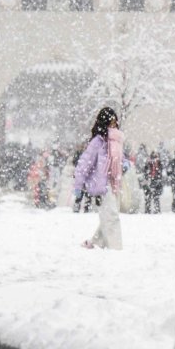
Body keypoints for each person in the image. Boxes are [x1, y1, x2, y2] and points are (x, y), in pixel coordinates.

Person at [73, 107, 124, 249]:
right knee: (112, 217)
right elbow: (84, 164)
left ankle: (95, 243)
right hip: (100, 186)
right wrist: (78, 185)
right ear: (104, 123)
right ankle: (116, 248)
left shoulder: (115, 142)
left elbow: (119, 159)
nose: (113, 126)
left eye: (115, 123)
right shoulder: (98, 142)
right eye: (110, 123)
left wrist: (124, 164)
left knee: (107, 217)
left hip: (113, 184)